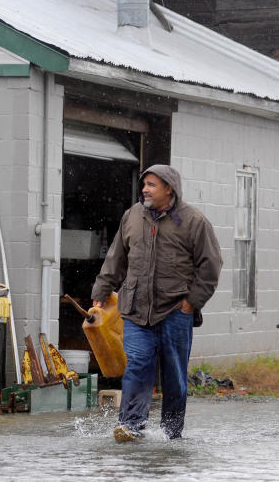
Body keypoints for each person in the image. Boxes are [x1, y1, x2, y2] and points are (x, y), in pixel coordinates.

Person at [91, 164, 222, 442]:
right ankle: (130, 426)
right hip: (137, 309)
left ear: (168, 189)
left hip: (175, 311)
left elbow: (210, 267)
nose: (145, 190)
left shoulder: (194, 222)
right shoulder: (133, 217)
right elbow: (116, 258)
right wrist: (102, 290)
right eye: (144, 184)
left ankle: (171, 433)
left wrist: (190, 303)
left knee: (174, 377)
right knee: (137, 364)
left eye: (151, 185)